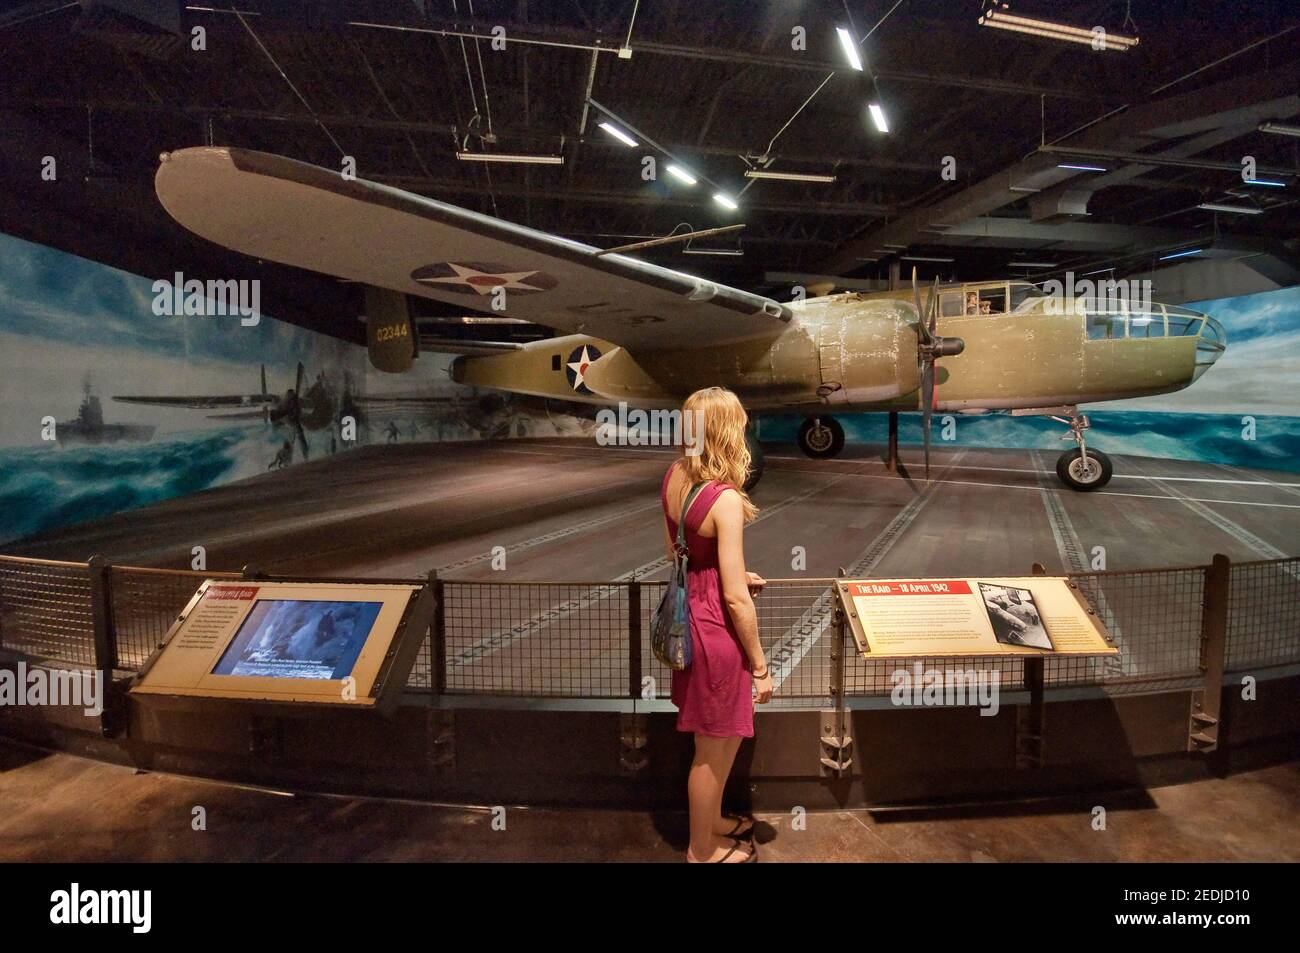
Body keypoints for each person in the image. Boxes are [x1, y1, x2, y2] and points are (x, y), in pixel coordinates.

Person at [661, 386, 772, 863]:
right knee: (713, 750)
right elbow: (734, 598)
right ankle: (701, 850)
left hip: (689, 618)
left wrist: (722, 571)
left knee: (718, 741)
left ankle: (716, 822)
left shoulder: (673, 476)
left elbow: (677, 553)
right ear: (729, 432)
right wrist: (762, 666)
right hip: (716, 632)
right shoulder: (724, 499)